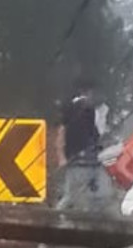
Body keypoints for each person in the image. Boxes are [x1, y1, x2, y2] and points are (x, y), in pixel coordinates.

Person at [54, 78, 114, 211]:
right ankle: (56, 217)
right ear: (85, 92)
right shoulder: (74, 109)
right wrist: (61, 156)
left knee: (101, 195)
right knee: (72, 197)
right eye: (91, 92)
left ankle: (92, 219)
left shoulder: (91, 111)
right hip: (78, 161)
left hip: (92, 161)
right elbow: (61, 131)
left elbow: (95, 134)